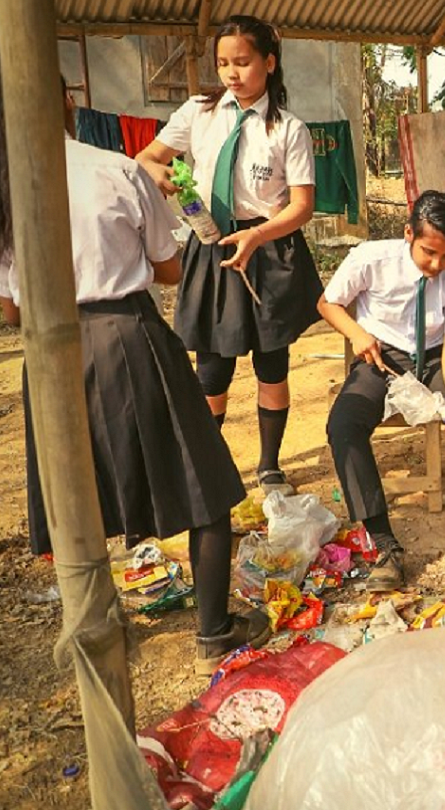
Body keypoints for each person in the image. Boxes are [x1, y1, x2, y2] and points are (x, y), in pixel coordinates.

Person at [0, 63, 269, 675]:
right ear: (68, 103)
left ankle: (97, 627)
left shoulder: (5, 188)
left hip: (48, 357)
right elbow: (168, 270)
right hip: (127, 337)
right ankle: (213, 632)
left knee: (78, 496)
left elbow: (11, 310)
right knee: (205, 486)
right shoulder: (115, 169)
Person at [136, 14, 320, 496]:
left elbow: (302, 206)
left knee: (271, 362)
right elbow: (147, 157)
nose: (231, 73)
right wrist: (158, 173)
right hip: (213, 246)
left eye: (242, 62)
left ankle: (269, 467)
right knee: (212, 367)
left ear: (269, 63)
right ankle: (209, 468)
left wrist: (257, 236)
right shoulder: (198, 112)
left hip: (269, 250)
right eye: (222, 63)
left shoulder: (289, 129)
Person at [319, 191, 445, 591]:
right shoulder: (370, 259)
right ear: (408, 233)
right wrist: (357, 334)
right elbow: (328, 303)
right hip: (380, 357)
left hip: (435, 359)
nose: (436, 265)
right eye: (429, 252)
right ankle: (385, 546)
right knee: (343, 427)